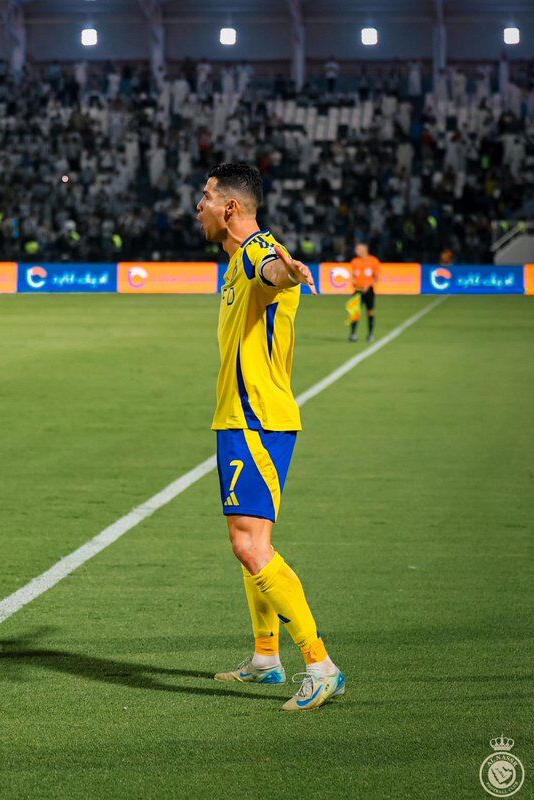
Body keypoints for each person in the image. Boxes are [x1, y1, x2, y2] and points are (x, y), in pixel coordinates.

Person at [194, 163, 346, 711]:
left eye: (206, 197)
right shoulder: (238, 260)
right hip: (244, 417)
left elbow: (273, 271)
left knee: (249, 545)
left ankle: (320, 665)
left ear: (230, 207)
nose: (199, 207)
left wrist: (289, 272)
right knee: (249, 542)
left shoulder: (257, 250)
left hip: (255, 419)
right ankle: (265, 658)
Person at [349, 242, 379, 342]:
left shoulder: (373, 261)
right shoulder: (355, 261)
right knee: (355, 312)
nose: (356, 251)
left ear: (364, 250)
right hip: (358, 290)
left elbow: (376, 277)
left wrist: (368, 285)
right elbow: (353, 275)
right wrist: (353, 281)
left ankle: (370, 334)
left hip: (369, 290)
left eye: (358, 249)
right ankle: (353, 334)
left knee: (370, 312)